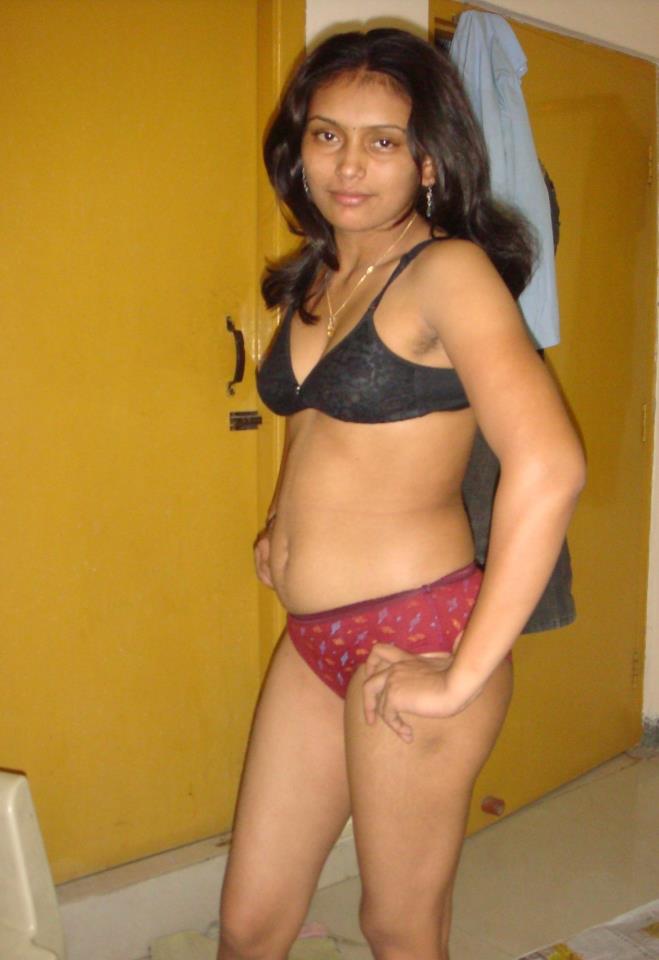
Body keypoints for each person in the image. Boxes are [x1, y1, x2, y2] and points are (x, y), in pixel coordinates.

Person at [217, 28, 585, 960]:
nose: (348, 165)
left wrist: (463, 675)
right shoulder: (322, 272)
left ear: (427, 160)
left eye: (382, 141)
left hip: (417, 634)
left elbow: (549, 466)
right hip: (313, 639)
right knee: (250, 925)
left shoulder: (448, 273)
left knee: (397, 927)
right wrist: (281, 524)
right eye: (326, 135)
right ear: (297, 147)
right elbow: (320, 417)